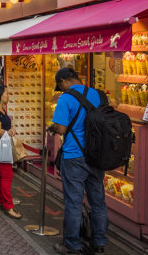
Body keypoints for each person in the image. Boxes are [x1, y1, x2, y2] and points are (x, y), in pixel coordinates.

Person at [48, 68, 108, 254]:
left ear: (64, 81)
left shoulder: (65, 99)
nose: (61, 89)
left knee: (74, 202)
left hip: (74, 155)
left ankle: (72, 244)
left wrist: (54, 127)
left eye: (60, 85)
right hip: (97, 156)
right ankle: (99, 242)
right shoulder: (99, 95)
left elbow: (61, 129)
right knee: (98, 201)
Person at [0, 83, 21, 219]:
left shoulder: (0, 110)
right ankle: (8, 206)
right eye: (6, 93)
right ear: (0, 96)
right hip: (2, 150)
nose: (8, 95)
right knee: (7, 177)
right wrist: (9, 131)